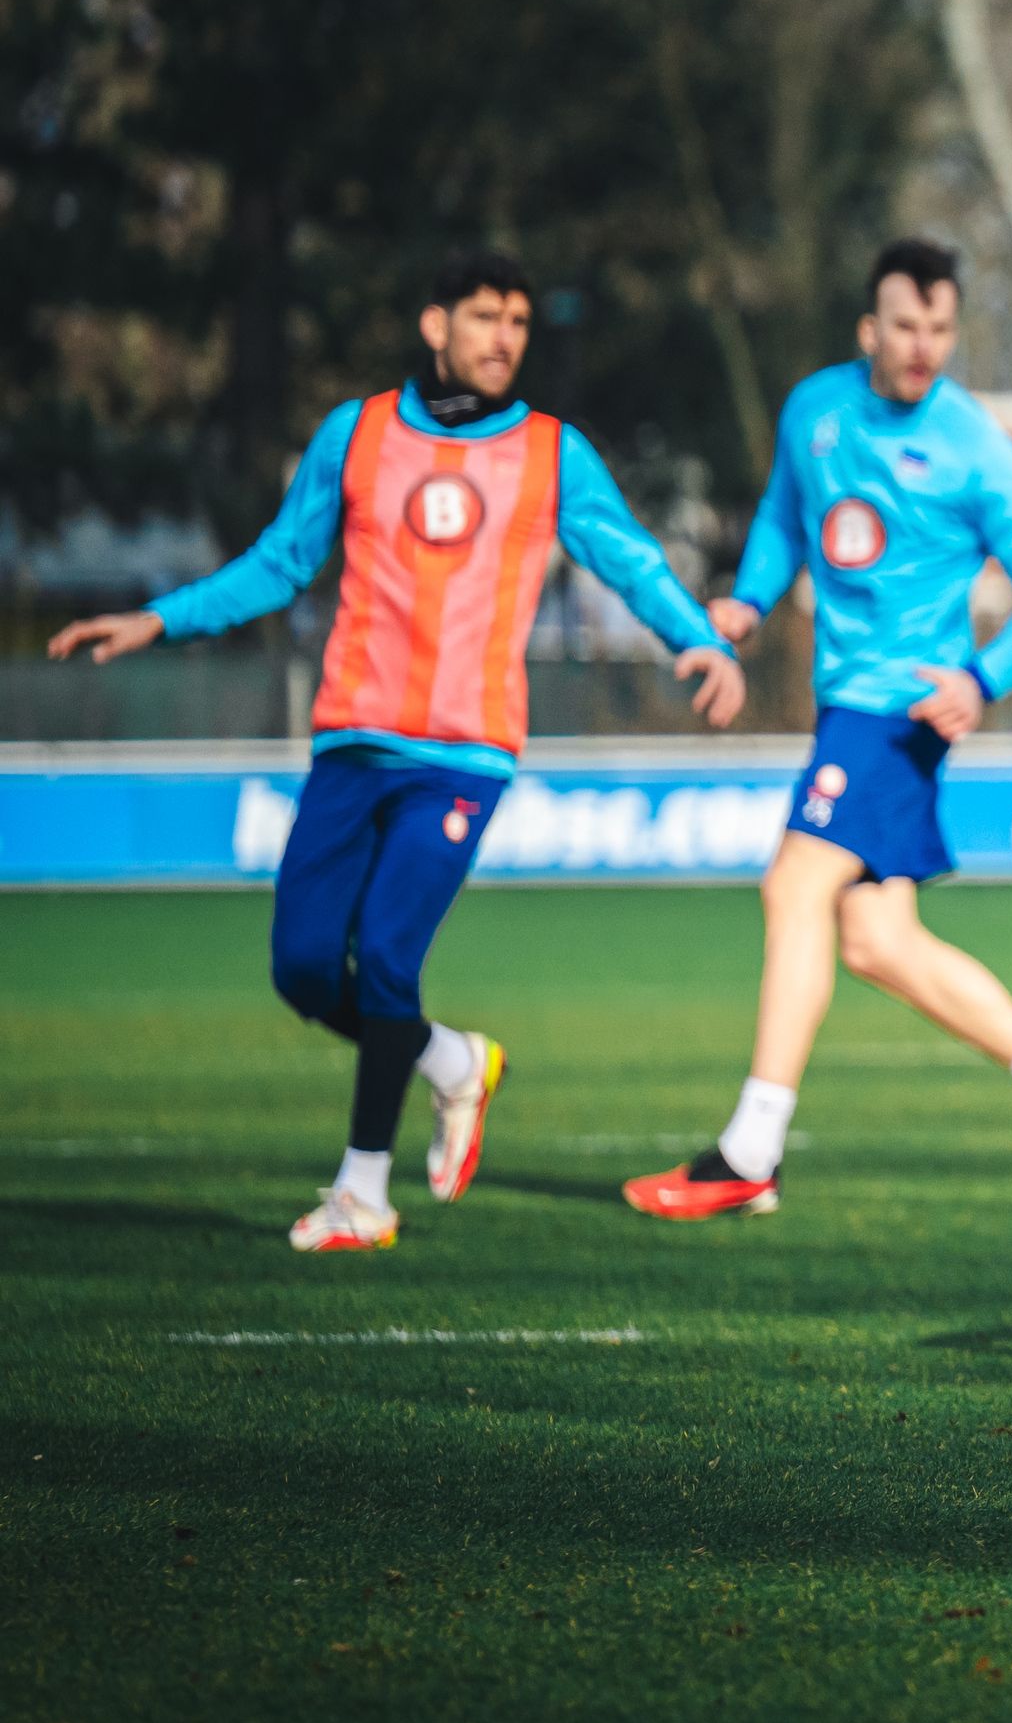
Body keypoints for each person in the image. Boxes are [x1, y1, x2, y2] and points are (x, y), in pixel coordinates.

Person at [49, 250, 746, 1251]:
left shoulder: (552, 453)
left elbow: (630, 560)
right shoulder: (361, 432)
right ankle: (453, 1063)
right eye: (483, 317)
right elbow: (279, 564)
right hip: (351, 744)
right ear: (435, 326)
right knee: (301, 969)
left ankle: (361, 1195)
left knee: (383, 957)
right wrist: (157, 621)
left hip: (464, 758)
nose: (504, 337)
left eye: (516, 321)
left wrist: (700, 642)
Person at [622, 239, 1012, 1222]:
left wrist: (980, 678)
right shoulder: (814, 409)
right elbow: (785, 517)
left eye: (941, 329)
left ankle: (750, 1151)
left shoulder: (978, 447)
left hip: (899, 712)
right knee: (877, 941)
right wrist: (747, 600)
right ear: (870, 328)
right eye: (906, 326)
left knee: (793, 882)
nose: (923, 346)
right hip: (843, 702)